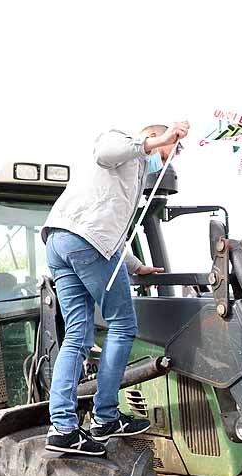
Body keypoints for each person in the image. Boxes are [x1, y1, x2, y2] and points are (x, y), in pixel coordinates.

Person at [41, 121, 189, 455]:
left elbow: (114, 229)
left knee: (77, 336)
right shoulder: (122, 145)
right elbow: (104, 152)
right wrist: (156, 142)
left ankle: (63, 427)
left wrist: (136, 266)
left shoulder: (131, 177)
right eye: (173, 149)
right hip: (86, 242)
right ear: (154, 137)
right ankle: (105, 416)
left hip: (61, 242)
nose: (172, 156)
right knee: (123, 325)